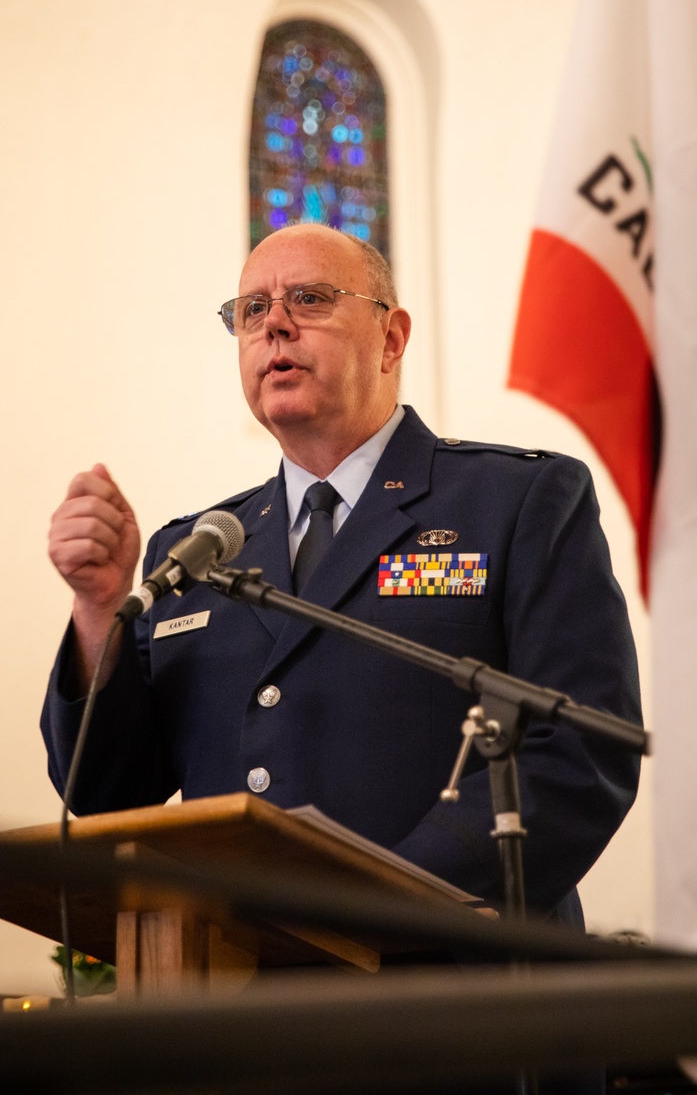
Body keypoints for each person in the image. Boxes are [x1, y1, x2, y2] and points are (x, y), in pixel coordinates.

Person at [42, 223, 641, 921]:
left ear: (392, 339)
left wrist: (386, 898)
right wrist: (99, 608)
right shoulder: (199, 552)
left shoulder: (515, 502)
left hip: (449, 980)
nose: (276, 327)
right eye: (251, 311)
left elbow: (581, 752)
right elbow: (108, 791)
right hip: (240, 989)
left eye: (310, 297)